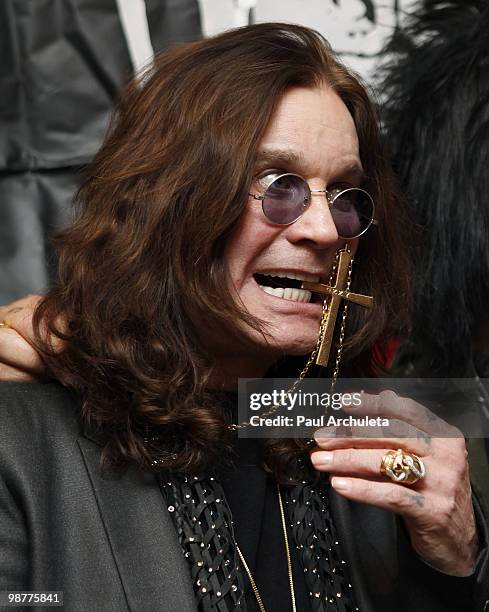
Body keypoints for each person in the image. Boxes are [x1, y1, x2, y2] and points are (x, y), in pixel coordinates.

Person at [0, 23, 487, 612]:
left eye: (346, 196)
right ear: (168, 205)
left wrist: (460, 563)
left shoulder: (380, 445)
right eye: (278, 186)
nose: (326, 230)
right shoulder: (22, 438)